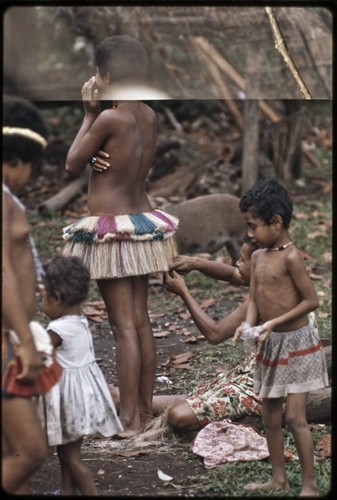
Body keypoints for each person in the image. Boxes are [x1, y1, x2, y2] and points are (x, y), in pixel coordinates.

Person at [62, 35, 179, 438]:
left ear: (106, 76)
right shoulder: (147, 115)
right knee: (141, 323)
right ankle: (144, 413)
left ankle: (129, 421)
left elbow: (71, 165)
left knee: (123, 327)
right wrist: (98, 136)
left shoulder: (108, 119)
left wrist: (88, 116)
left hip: (112, 229)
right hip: (143, 223)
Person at [233, 179, 329, 496]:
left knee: (295, 417)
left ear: (276, 222)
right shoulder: (258, 257)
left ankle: (310, 484)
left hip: (298, 344)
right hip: (271, 346)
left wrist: (274, 321)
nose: (249, 233)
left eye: (253, 225)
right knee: (269, 414)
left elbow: (311, 301)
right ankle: (278, 478)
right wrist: (246, 325)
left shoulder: (291, 257)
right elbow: (254, 298)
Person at [110, 239, 261, 432]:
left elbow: (215, 334)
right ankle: (120, 398)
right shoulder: (270, 275)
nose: (236, 263)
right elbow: (234, 274)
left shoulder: (263, 296)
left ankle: (250, 419)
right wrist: (195, 263)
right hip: (253, 371)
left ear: (258, 267)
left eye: (241, 260)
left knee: (179, 416)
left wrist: (184, 292)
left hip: (263, 383)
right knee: (201, 395)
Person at [2, 95, 56, 494]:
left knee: (9, 450)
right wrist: (22, 339)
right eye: (31, 167)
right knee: (32, 451)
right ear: (16, 159)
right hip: (6, 340)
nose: (30, 176)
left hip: (9, 336)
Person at [38, 255, 123, 496]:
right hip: (79, 401)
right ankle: (67, 492)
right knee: (65, 453)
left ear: (56, 298)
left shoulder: (58, 329)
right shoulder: (78, 321)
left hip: (70, 403)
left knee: (72, 458)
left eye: (42, 297)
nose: (41, 303)